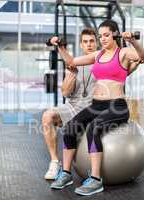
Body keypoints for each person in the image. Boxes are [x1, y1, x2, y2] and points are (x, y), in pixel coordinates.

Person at [49, 19, 144, 196]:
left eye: (106, 35)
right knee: (70, 128)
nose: (102, 39)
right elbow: (71, 61)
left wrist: (132, 40)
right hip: (97, 105)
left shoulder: (123, 52)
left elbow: (142, 56)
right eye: (100, 35)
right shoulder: (98, 56)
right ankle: (65, 173)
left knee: (93, 128)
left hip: (116, 106)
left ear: (116, 34)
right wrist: (60, 47)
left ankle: (95, 179)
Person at [42, 28, 97, 180]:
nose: (89, 44)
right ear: (81, 45)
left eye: (92, 41)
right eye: (85, 42)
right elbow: (65, 93)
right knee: (48, 116)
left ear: (97, 43)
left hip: (93, 109)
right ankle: (54, 162)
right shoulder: (74, 62)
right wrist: (72, 74)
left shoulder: (102, 61)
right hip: (72, 107)